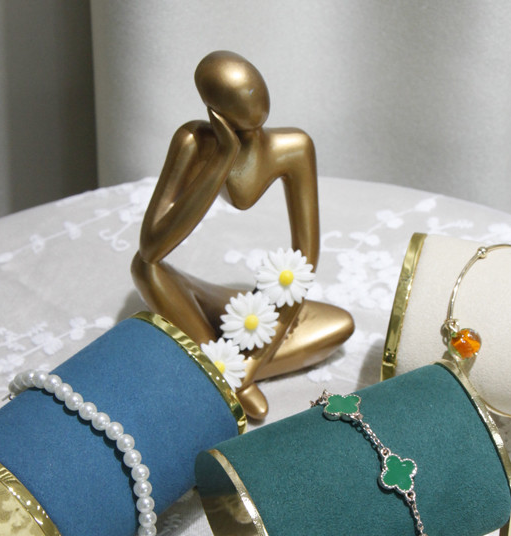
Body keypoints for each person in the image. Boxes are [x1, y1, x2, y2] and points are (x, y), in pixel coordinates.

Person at [132, 50, 353, 419]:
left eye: (257, 92)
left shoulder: (294, 146)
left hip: (256, 305)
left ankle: (218, 370)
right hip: (217, 305)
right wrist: (221, 159)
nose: (255, 105)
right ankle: (223, 372)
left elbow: (306, 255)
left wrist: (251, 363)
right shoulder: (193, 142)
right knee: (144, 270)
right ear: (214, 111)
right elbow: (151, 248)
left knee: (339, 323)